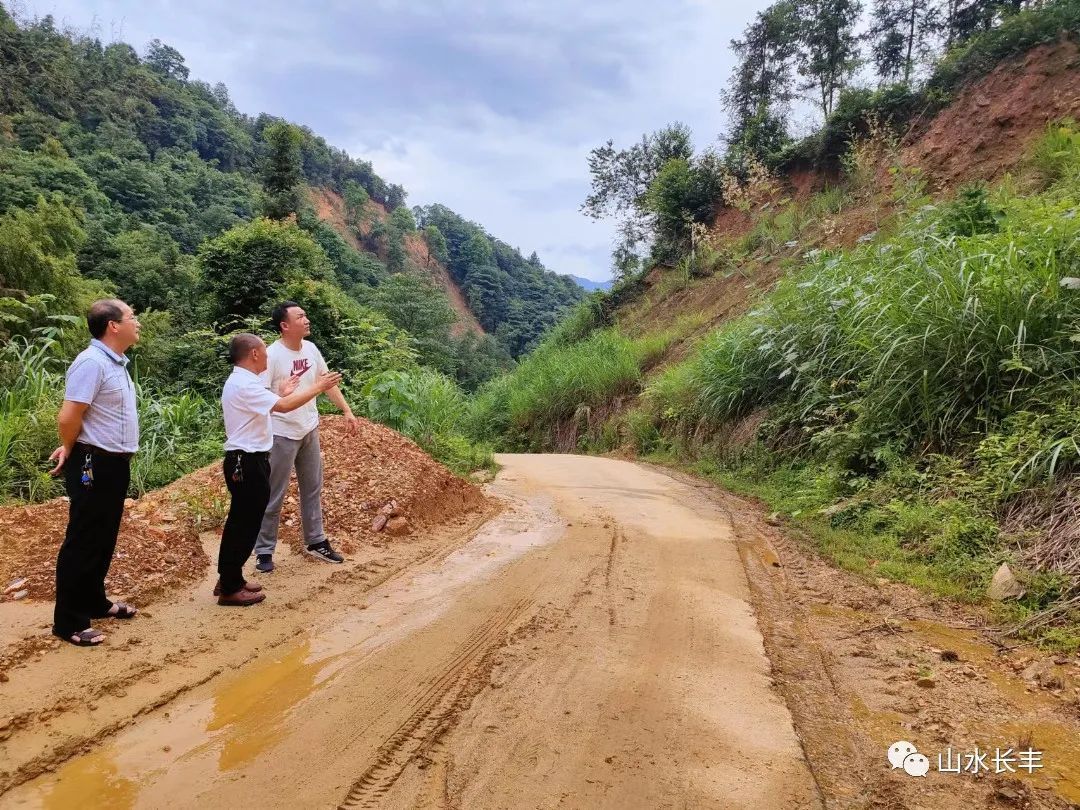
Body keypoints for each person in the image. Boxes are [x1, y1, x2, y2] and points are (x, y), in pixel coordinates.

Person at [217, 333, 342, 606]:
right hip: (246, 461)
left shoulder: (246, 381)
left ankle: (231, 578)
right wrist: (318, 387)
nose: (268, 355)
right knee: (244, 523)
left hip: (251, 459)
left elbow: (271, 405)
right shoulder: (244, 384)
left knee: (242, 521)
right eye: (264, 350)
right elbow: (284, 408)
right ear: (253, 355)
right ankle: (229, 586)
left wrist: (279, 393)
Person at [49, 299, 141, 647]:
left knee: (103, 538)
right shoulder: (91, 363)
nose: (138, 323)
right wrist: (70, 447)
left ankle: (94, 601)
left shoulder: (115, 364)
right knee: (84, 541)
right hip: (93, 462)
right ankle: (68, 621)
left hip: (114, 463)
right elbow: (69, 415)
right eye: (132, 317)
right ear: (113, 326)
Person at [253, 301, 358, 573]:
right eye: (300, 317)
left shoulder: (311, 349)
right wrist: (282, 395)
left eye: (306, 315)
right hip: (281, 432)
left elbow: (325, 384)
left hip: (309, 427)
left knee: (312, 488)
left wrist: (346, 410)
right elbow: (261, 397)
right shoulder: (272, 356)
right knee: (274, 493)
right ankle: (264, 550)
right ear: (285, 325)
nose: (307, 319)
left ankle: (316, 541)